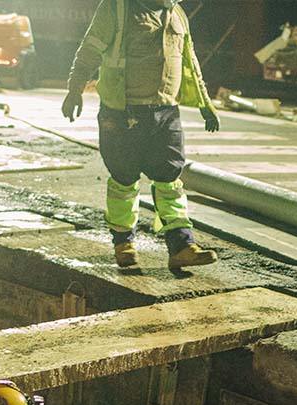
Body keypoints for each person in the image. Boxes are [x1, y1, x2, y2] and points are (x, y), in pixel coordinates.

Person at [63, 0, 220, 270]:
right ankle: (123, 243)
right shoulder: (117, 8)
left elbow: (189, 61)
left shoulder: (176, 13)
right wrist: (75, 88)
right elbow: (89, 50)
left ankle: (182, 245)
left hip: (166, 111)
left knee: (170, 178)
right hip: (122, 114)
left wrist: (206, 104)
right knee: (124, 180)